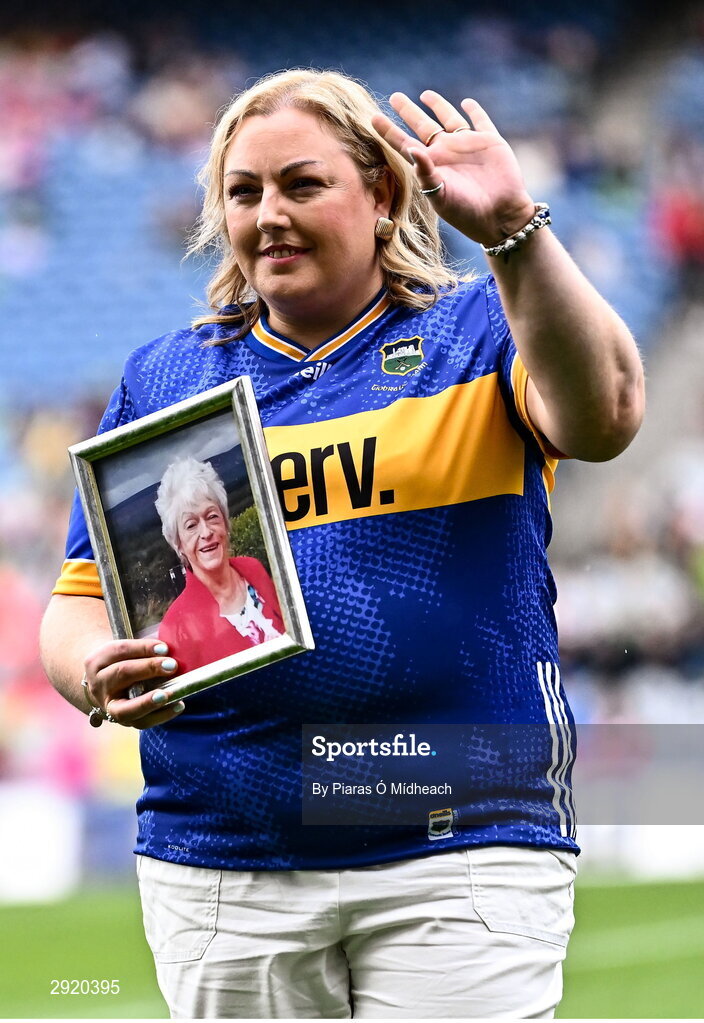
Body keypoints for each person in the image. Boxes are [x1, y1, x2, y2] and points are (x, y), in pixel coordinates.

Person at [40, 68, 644, 1019]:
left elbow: (606, 416)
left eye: (302, 184)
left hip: (458, 837)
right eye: (245, 192)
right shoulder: (167, 379)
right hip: (225, 858)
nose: (268, 214)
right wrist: (94, 672)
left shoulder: (479, 326)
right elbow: (80, 601)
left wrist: (515, 233)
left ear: (382, 192)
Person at [153, 456, 283, 674]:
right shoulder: (177, 627)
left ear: (225, 521)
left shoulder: (253, 569)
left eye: (212, 516)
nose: (206, 533)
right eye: (191, 525)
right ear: (179, 544)